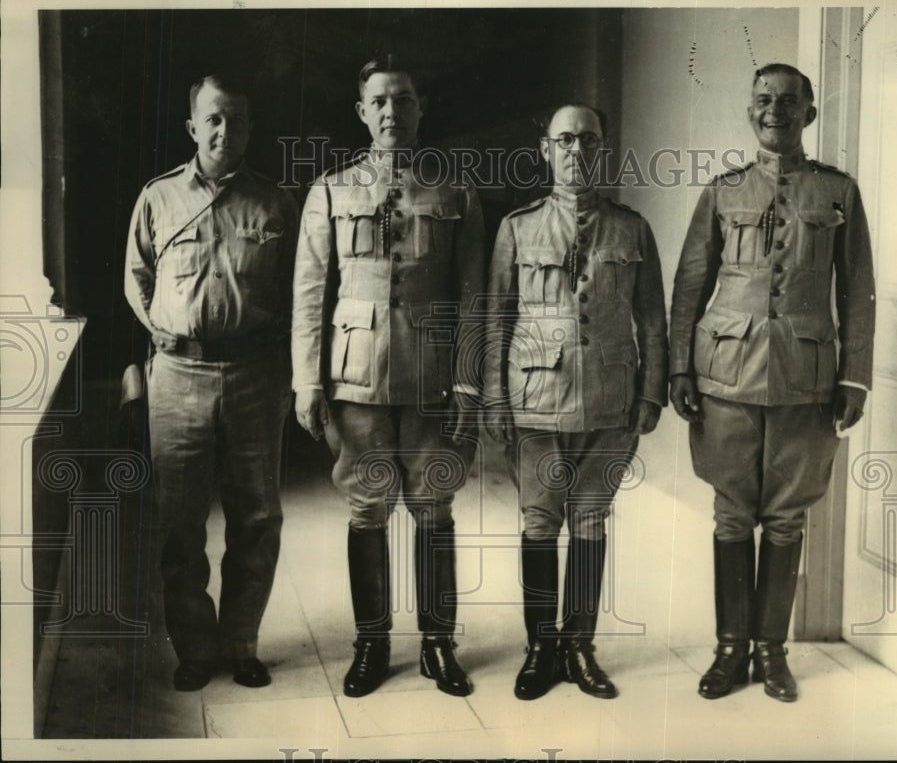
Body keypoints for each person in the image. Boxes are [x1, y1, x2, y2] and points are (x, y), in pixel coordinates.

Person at [669, 63, 876, 703]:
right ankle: (730, 651)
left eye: (789, 101)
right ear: (749, 110)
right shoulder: (723, 191)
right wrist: (680, 364)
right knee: (732, 514)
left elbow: (858, 291)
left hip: (806, 380)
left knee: (786, 520)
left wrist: (856, 378)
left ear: (809, 114)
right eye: (763, 99)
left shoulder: (838, 191)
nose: (774, 110)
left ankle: (772, 653)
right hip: (725, 377)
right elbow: (689, 285)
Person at [291, 55, 485, 698]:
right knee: (367, 508)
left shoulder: (456, 193)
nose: (391, 112)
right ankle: (371, 645)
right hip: (356, 379)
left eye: (402, 99)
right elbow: (310, 293)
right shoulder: (330, 190)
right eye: (378, 101)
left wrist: (467, 382)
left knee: (433, 507)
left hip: (432, 380)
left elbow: (472, 298)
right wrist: (307, 381)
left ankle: (437, 645)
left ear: (420, 106)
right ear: (362, 112)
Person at [484, 104, 669, 700]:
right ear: (545, 149)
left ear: (603, 149)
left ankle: (579, 647)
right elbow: (495, 318)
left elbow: (654, 323)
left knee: (590, 521)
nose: (576, 151)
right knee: (540, 522)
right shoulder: (517, 227)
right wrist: (493, 395)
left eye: (588, 140)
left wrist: (652, 393)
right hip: (535, 398)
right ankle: (541, 649)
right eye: (564, 140)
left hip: (611, 400)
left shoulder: (632, 229)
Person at [124, 73, 299, 691]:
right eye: (215, 119)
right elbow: (136, 278)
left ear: (250, 128)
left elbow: (294, 292)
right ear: (193, 127)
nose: (226, 131)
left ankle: (241, 641)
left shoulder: (275, 202)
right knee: (180, 521)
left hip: (255, 373)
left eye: (239, 121)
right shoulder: (159, 197)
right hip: (178, 376)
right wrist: (167, 333)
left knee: (256, 515)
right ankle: (196, 647)